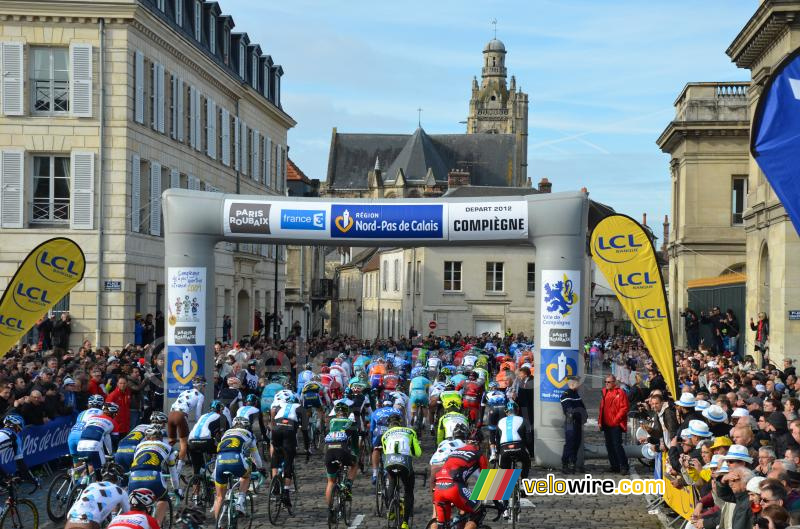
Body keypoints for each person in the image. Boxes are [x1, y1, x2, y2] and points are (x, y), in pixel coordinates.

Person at [433, 429, 490, 529]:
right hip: (454, 487)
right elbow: (486, 479)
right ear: (479, 443)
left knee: (441, 525)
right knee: (478, 511)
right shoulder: (479, 454)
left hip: (438, 488)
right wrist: (498, 503)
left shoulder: (455, 451)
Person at [212, 416, 265, 518]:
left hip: (220, 463)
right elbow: (256, 456)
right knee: (246, 475)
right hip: (236, 460)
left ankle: (218, 524)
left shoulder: (226, 434)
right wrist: (260, 467)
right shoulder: (249, 434)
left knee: (219, 497)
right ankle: (240, 502)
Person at [128, 426, 179, 526]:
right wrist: (176, 488)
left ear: (147, 438)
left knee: (134, 504)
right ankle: (157, 525)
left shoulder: (139, 446)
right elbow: (173, 471)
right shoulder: (168, 447)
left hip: (134, 477)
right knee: (163, 498)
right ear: (160, 438)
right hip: (153, 477)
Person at [324, 401, 359, 524]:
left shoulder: (331, 422)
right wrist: (356, 454)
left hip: (328, 453)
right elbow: (355, 444)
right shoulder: (351, 422)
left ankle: (330, 510)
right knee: (354, 464)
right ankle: (348, 485)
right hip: (342, 452)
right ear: (347, 412)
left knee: (330, 482)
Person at [64, 463, 129, 529]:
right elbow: (130, 514)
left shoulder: (91, 485)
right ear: (118, 478)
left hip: (71, 517)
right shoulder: (121, 491)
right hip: (89, 521)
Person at [269, 394, 305, 511]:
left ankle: (275, 484)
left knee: (276, 455)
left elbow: (272, 410)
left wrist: (272, 424)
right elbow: (304, 430)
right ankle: (285, 492)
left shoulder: (280, 405)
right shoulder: (300, 407)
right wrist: (307, 448)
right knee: (288, 460)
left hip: (276, 429)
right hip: (289, 430)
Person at [168, 376, 206, 477]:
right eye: (204, 386)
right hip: (181, 416)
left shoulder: (184, 392)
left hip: (171, 415)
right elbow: (198, 414)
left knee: (171, 442)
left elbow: (174, 405)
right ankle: (177, 471)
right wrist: (200, 426)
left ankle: (165, 460)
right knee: (184, 444)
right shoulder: (200, 395)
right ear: (202, 386)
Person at [77, 402, 118, 480]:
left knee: (90, 466)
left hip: (80, 445)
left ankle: (80, 484)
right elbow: (113, 439)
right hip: (94, 446)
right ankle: (97, 486)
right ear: (113, 413)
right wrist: (110, 453)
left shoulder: (92, 417)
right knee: (102, 467)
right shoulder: (113, 422)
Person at [187, 401, 228, 477]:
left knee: (196, 469)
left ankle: (196, 484)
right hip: (206, 442)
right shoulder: (221, 417)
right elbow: (225, 434)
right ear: (219, 409)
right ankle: (215, 476)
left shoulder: (203, 416)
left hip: (191, 442)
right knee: (223, 451)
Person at [599, 374, 629, 474]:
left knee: (617, 446)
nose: (606, 384)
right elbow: (602, 408)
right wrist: (600, 421)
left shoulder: (620, 393)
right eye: (605, 382)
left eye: (609, 382)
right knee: (609, 446)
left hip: (616, 425)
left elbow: (624, 408)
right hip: (606, 424)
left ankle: (624, 466)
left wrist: (616, 420)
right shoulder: (605, 392)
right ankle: (614, 466)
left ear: (614, 382)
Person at [560, 376, 587, 473]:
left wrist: (584, 416)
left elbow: (582, 407)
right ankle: (565, 464)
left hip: (578, 423)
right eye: (578, 383)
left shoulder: (576, 394)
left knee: (577, 443)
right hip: (571, 423)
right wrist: (579, 415)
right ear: (573, 384)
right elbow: (569, 410)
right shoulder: (566, 394)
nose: (579, 385)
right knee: (570, 444)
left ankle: (573, 463)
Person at [69, 394, 105, 464]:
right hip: (84, 437)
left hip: (71, 436)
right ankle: (86, 474)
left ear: (88, 404)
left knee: (77, 463)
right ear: (102, 405)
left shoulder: (82, 413)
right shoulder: (102, 413)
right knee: (92, 463)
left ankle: (76, 474)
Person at [0, 415, 34, 481]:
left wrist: (6, 477)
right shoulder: (15, 437)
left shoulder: (1, 431)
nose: (18, 431)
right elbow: (20, 463)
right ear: (14, 426)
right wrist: (32, 479)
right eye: (19, 428)